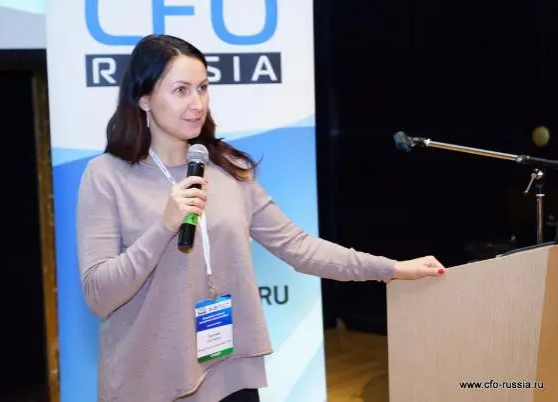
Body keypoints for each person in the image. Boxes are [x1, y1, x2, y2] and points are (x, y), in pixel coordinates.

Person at [76, 34, 445, 402]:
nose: (197, 103)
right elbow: (99, 295)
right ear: (143, 98)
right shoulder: (106, 175)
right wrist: (164, 226)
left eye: (203, 88)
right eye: (181, 90)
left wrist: (391, 269)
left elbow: (300, 248)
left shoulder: (229, 169)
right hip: (150, 383)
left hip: (229, 374)